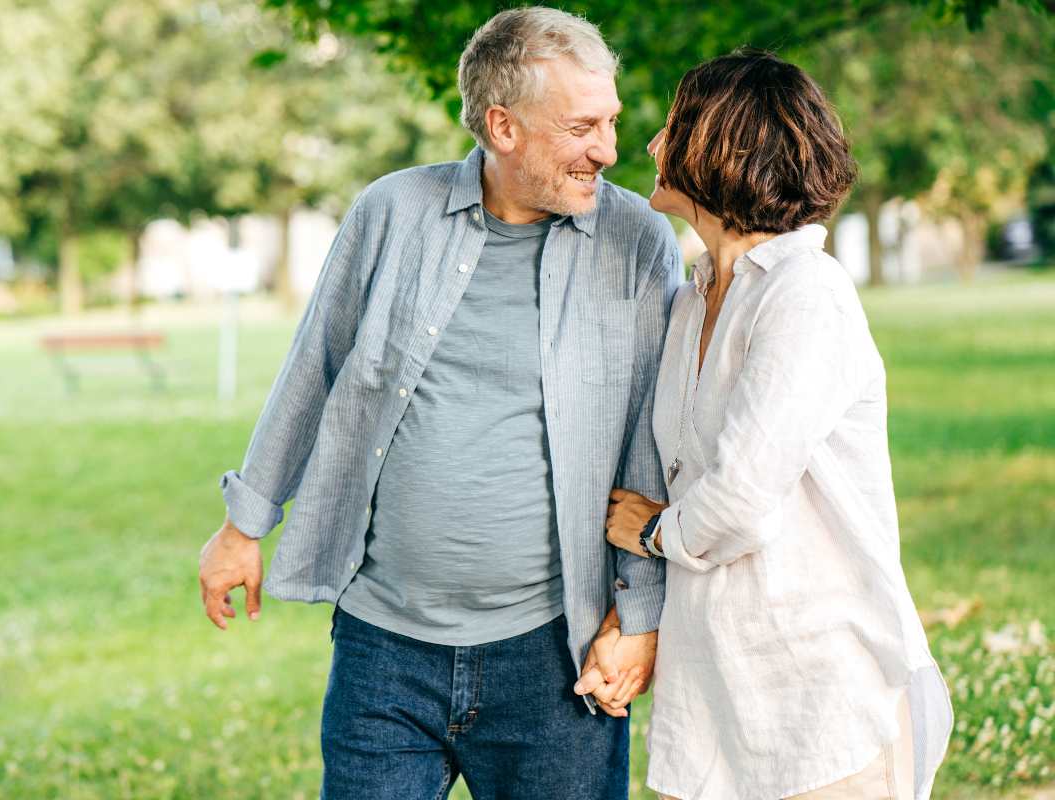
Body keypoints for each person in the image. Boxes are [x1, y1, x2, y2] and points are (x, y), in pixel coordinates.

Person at [197, 8, 682, 798]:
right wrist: (242, 525)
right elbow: (315, 368)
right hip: (385, 650)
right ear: (503, 127)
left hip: (556, 657)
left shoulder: (637, 240)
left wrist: (638, 615)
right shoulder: (392, 213)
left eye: (611, 122)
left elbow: (650, 442)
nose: (608, 149)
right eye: (582, 127)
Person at [598, 50, 953, 799]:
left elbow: (739, 498)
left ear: (722, 145)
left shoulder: (805, 294)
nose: (653, 144)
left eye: (674, 125)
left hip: (824, 705)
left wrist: (653, 531)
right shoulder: (694, 299)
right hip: (718, 707)